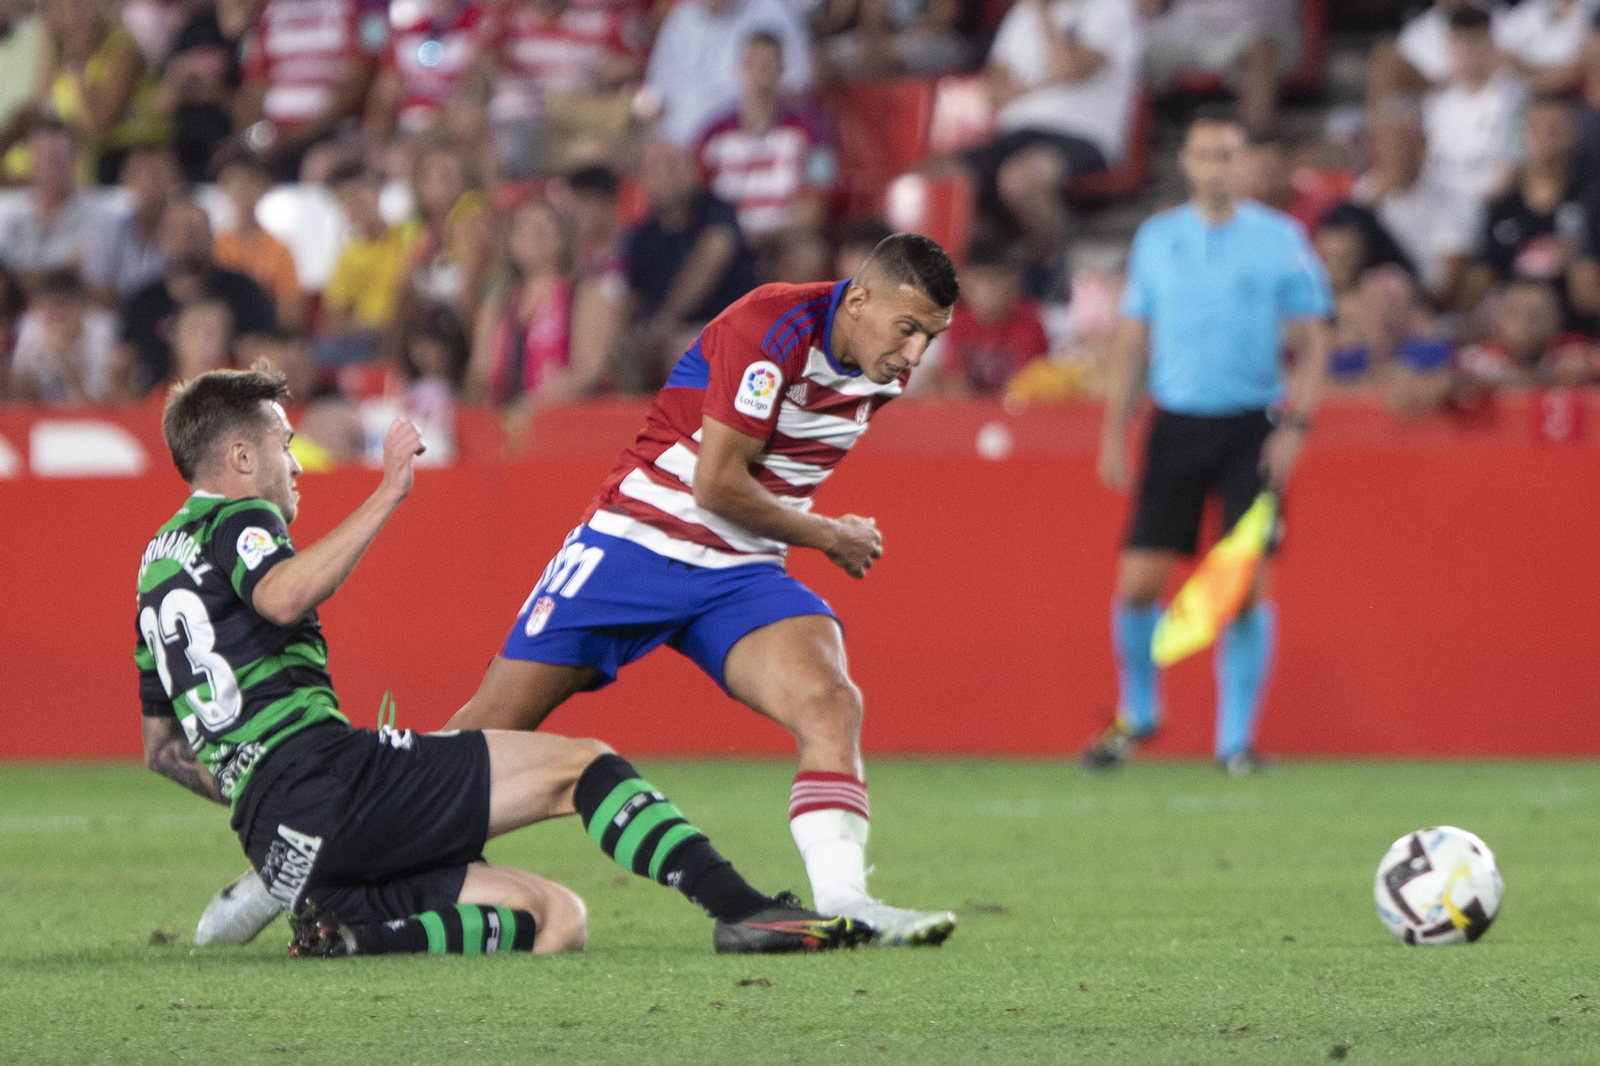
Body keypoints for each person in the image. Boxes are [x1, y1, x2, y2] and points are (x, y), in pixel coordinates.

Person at [148, 364, 870, 956]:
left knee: (559, 920)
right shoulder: (241, 518)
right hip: (331, 782)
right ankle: (740, 908)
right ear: (241, 457)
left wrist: (270, 805)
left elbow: (164, 749)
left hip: (282, 835)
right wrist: (388, 494)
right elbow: (282, 596)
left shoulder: (152, 569)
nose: (294, 462)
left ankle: (354, 936)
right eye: (284, 443)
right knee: (585, 767)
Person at [442, 233, 962, 946]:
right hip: (637, 543)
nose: (914, 356)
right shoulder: (770, 327)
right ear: (860, 298)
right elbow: (715, 484)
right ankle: (315, 860)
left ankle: (849, 901)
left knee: (830, 700)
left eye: (930, 337)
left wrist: (798, 533)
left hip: (742, 568)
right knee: (482, 735)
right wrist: (828, 535)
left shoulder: (884, 364)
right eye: (907, 330)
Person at [1083, 111, 1333, 775]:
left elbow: (1312, 343)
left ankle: (1235, 742)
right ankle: (1138, 712)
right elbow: (1133, 338)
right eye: (1204, 155)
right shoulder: (1156, 239)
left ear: (1245, 164)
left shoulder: (1281, 239)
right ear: (1187, 164)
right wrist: (1115, 426)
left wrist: (1296, 428)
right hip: (1176, 425)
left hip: (1252, 427)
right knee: (1138, 584)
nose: (1216, 168)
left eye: (1227, 156)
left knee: (1245, 586)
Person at [976, 0, 1141, 295]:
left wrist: (1044, 15)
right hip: (1015, 131)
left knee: (1020, 179)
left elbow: (1068, 68)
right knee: (942, 175)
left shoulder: (1111, 7)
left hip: (1083, 134)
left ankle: (1046, 272)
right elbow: (991, 92)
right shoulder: (1020, 12)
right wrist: (1045, 83)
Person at [694, 32, 838, 284]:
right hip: (724, 243)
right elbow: (696, 201)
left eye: (769, 63)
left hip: (784, 240)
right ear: (741, 67)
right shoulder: (711, 133)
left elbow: (817, 205)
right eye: (754, 62)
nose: (761, 71)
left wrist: (765, 237)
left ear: (782, 69)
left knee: (809, 255)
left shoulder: (815, 131)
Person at [621, 140, 759, 388]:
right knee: (620, 348)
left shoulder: (717, 211)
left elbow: (712, 256)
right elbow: (633, 297)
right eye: (657, 167)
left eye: (676, 163)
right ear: (642, 180)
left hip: (727, 326)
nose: (671, 172)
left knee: (686, 349)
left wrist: (664, 321)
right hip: (661, 329)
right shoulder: (643, 236)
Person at [119, 194, 279, 394]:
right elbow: (121, 365)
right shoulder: (142, 301)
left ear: (212, 236)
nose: (186, 238)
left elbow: (266, 359)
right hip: (157, 403)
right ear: (160, 238)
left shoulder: (245, 292)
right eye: (176, 231)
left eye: (195, 230)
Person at [466, 197, 614, 407]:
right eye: (522, 226)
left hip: (566, 420)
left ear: (563, 236)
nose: (531, 233)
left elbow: (587, 370)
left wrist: (534, 404)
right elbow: (479, 371)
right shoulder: (498, 298)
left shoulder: (584, 292)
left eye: (542, 227)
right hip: (501, 420)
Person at [235, 0, 388, 182]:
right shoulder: (269, 8)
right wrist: (258, 138)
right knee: (235, 171)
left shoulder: (362, 5)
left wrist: (299, 134)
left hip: (334, 133)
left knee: (319, 165)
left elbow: (357, 80)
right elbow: (254, 86)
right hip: (276, 138)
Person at [1351, 95, 1477, 309]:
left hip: (1424, 307)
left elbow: (1447, 286)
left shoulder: (1451, 200)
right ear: (1374, 144)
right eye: (1390, 140)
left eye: (1407, 141)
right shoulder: (1358, 195)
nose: (1400, 151)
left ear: (1424, 144)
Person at [643, 0, 812, 146]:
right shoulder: (681, 19)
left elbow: (799, 82)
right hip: (682, 151)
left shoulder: (771, 10)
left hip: (743, 142)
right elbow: (655, 96)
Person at [1141, 0, 1297, 136]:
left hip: (1249, 27)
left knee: (1262, 48)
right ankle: (1141, 148)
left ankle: (1254, 144)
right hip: (1184, 29)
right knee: (1132, 48)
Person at [1422, 5, 1527, 209]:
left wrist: (1470, 208)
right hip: (1438, 207)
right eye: (1458, 44)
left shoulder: (1515, 98)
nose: (1466, 53)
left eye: (1474, 43)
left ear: (1491, 45)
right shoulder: (1434, 104)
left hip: (1487, 205)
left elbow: (1512, 170)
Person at [924, 239, 1050, 396]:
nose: (988, 289)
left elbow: (1033, 386)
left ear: (1013, 282)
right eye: (979, 280)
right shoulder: (956, 324)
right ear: (963, 284)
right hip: (971, 412)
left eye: (996, 279)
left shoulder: (1030, 324)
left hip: (1016, 410)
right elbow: (955, 383)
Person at [0, 120, 108, 287]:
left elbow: (91, 287)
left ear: (74, 159)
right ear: (32, 162)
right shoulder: (7, 210)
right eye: (44, 159)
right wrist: (62, 272)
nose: (51, 169)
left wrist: (17, 274)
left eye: (58, 159)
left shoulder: (98, 216)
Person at [214, 155, 307, 334]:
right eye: (234, 184)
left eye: (248, 183)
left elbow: (290, 311)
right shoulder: (213, 246)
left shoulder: (280, 249)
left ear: (262, 188)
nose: (242, 191)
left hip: (264, 337)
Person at [8, 268, 122, 403]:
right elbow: (17, 400)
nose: (53, 314)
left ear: (81, 305)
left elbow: (100, 407)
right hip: (45, 415)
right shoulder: (30, 326)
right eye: (44, 306)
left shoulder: (101, 330)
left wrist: (65, 363)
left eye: (60, 304)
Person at [82, 144, 176, 305]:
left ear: (175, 179)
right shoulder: (108, 228)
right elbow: (96, 290)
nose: (148, 183)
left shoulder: (186, 229)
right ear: (125, 181)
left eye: (156, 174)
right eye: (139, 174)